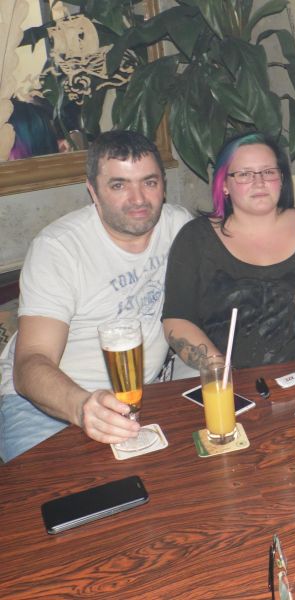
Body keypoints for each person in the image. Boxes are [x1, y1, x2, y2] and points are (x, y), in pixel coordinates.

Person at [0, 130, 191, 462]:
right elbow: (31, 362)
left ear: (163, 184)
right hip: (46, 409)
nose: (138, 199)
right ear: (93, 191)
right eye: (119, 185)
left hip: (142, 398)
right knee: (52, 494)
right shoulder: (59, 249)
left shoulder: (178, 226)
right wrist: (81, 406)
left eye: (149, 182)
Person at [162, 132, 295, 369]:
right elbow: (177, 320)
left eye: (268, 172)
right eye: (244, 174)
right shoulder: (196, 238)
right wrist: (219, 371)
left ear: (282, 179)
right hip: (225, 378)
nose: (259, 182)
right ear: (224, 185)